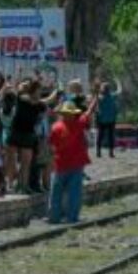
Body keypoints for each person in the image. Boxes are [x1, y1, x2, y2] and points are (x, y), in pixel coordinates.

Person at [49, 96, 99, 224]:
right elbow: (89, 112)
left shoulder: (56, 127)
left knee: (56, 193)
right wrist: (95, 99)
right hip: (76, 164)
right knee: (74, 192)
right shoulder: (79, 123)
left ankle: (54, 217)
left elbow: (51, 146)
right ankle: (72, 217)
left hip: (60, 164)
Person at [95, 80, 120, 158]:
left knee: (100, 136)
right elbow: (119, 90)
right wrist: (118, 82)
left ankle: (98, 152)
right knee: (111, 136)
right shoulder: (112, 96)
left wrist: (97, 87)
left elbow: (95, 94)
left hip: (102, 119)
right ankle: (111, 152)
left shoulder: (100, 97)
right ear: (109, 89)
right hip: (111, 119)